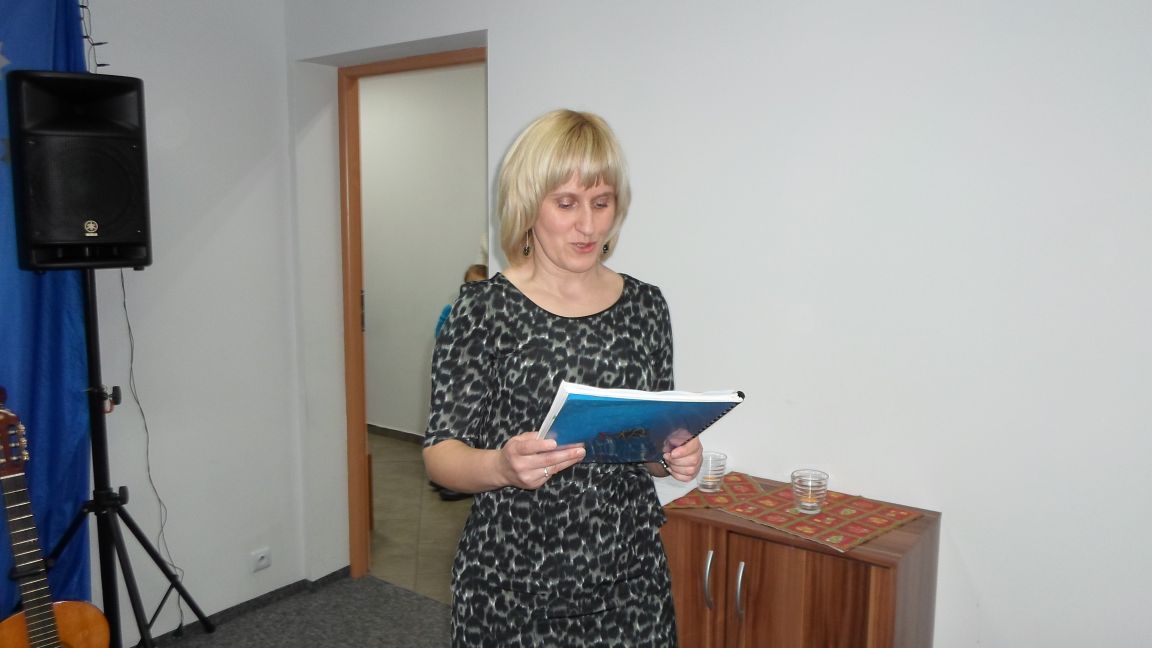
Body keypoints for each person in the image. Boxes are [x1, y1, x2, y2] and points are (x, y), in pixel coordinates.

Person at [422, 109, 702, 647]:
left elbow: (645, 441)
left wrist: (670, 453)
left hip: (629, 580)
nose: (589, 225)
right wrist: (501, 466)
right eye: (567, 203)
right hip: (512, 585)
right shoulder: (484, 311)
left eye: (602, 202)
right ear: (529, 204)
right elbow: (441, 455)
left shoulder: (646, 307)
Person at [435, 263, 488, 339]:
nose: (475, 291)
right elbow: (438, 335)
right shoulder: (451, 309)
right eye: (470, 285)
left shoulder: (488, 314)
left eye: (482, 287)